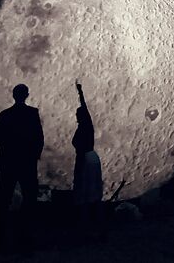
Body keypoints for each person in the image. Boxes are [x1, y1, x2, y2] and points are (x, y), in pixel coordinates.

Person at [0, 83, 44, 251]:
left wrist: (7, 146)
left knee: (4, 200)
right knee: (29, 199)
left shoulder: (5, 115)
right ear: (26, 95)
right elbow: (39, 138)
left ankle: (1, 237)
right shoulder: (32, 114)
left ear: (14, 95)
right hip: (27, 163)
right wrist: (33, 155)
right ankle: (25, 235)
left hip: (7, 162)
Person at [72, 81, 103, 237]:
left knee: (85, 189)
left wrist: (80, 92)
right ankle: (90, 219)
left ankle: (87, 220)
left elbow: (84, 107)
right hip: (88, 158)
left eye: (78, 114)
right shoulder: (84, 126)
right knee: (88, 189)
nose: (76, 116)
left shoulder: (86, 125)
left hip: (86, 159)